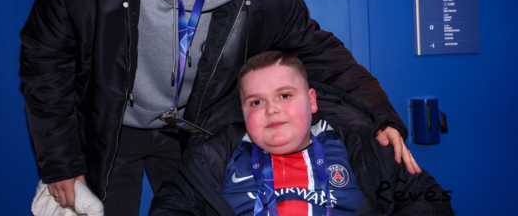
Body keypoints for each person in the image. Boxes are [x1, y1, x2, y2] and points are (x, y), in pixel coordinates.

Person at [19, 0, 419, 214]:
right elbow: (44, 62)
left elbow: (320, 52)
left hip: (193, 129)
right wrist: (60, 162)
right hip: (110, 126)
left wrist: (381, 116)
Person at [149, 51, 453, 216]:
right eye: (256, 102)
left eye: (284, 95)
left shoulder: (366, 149)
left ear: (311, 101)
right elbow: (171, 206)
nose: (271, 110)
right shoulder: (212, 159)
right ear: (242, 112)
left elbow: (428, 200)